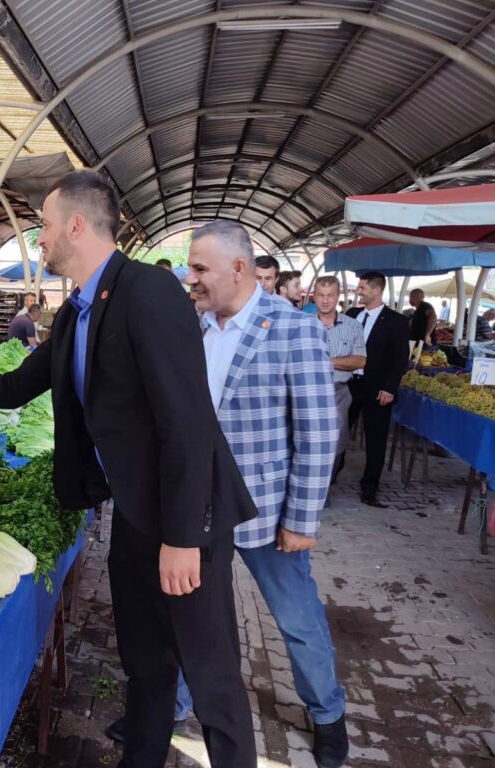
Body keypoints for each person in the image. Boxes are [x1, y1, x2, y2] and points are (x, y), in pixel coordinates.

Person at [0, 171, 258, 768]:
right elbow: (12, 388)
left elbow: (187, 422)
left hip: (188, 522)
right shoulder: (76, 314)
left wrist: (184, 537)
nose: (41, 241)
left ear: (78, 226)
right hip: (135, 513)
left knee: (210, 680)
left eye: (47, 228)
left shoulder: (148, 293)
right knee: (145, 665)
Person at [174, 222, 347, 768]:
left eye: (200, 268)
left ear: (239, 269)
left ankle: (328, 715)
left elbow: (319, 433)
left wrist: (301, 520)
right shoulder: (193, 326)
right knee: (191, 613)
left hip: (267, 515)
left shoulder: (294, 331)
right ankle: (176, 704)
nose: (190, 277)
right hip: (200, 511)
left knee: (296, 620)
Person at [346, 272, 409, 508]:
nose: (358, 292)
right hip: (349, 385)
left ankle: (369, 489)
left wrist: (389, 388)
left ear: (376, 290)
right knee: (340, 433)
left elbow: (400, 358)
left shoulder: (396, 321)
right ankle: (330, 478)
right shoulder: (351, 314)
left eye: (362, 288)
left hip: (377, 389)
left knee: (376, 440)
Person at [315, 276, 366, 484]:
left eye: (330, 295)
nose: (325, 301)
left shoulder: (352, 326)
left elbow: (360, 361)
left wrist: (324, 361)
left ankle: (325, 487)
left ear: (338, 297)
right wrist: (342, 361)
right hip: (307, 391)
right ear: (314, 296)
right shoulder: (300, 324)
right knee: (304, 442)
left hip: (338, 392)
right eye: (320, 295)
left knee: (336, 444)